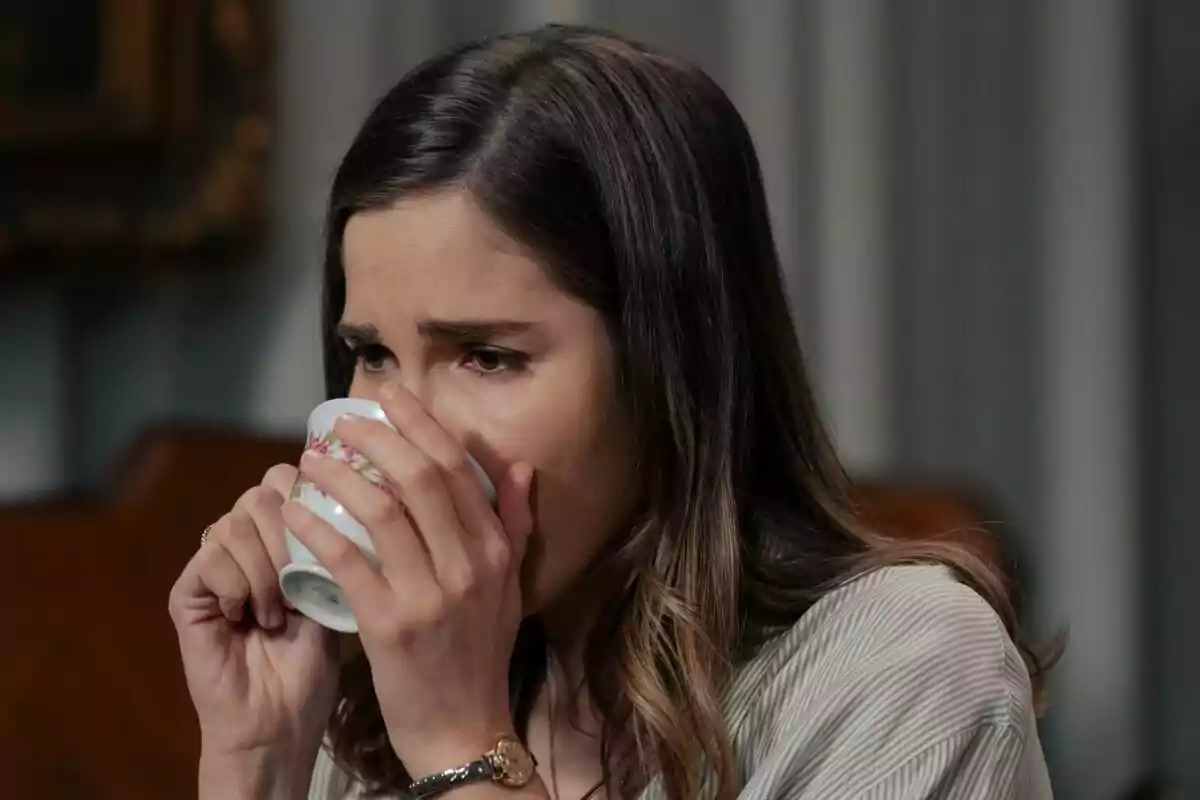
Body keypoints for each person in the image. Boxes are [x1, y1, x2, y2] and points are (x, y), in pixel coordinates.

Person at [169, 24, 1055, 800]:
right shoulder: (374, 699)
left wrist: (461, 750)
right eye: (372, 355)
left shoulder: (905, 669)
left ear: (673, 366)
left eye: (487, 355)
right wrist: (258, 763)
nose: (402, 436)